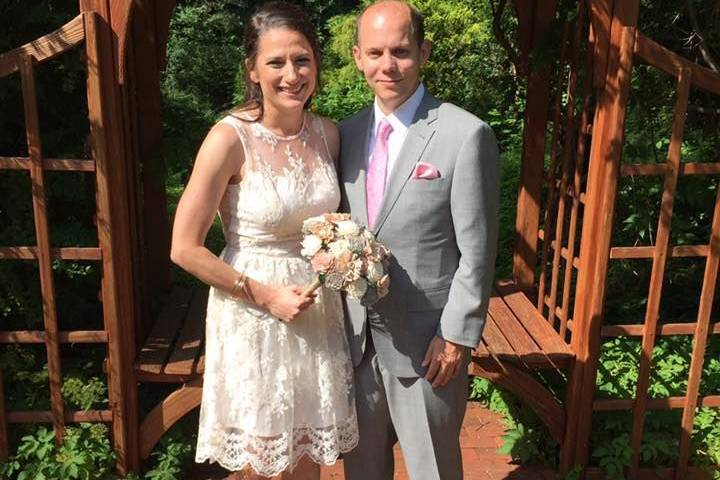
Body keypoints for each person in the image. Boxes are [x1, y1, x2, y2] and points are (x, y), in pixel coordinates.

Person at [170, 3, 358, 478]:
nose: (291, 74)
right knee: (268, 458)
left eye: (302, 60)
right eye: (276, 62)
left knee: (310, 456)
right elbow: (184, 247)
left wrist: (345, 255)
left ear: (317, 63)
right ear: (252, 69)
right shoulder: (228, 138)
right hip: (252, 307)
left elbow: (333, 223)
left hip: (316, 308)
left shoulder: (328, 135)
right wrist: (265, 295)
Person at [338, 1, 501, 479]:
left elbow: (478, 251)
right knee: (362, 471)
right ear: (357, 57)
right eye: (375, 52)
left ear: (424, 52)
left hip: (429, 345)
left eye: (401, 51)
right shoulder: (343, 135)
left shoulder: (465, 135)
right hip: (354, 342)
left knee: (433, 470)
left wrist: (455, 337)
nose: (387, 65)